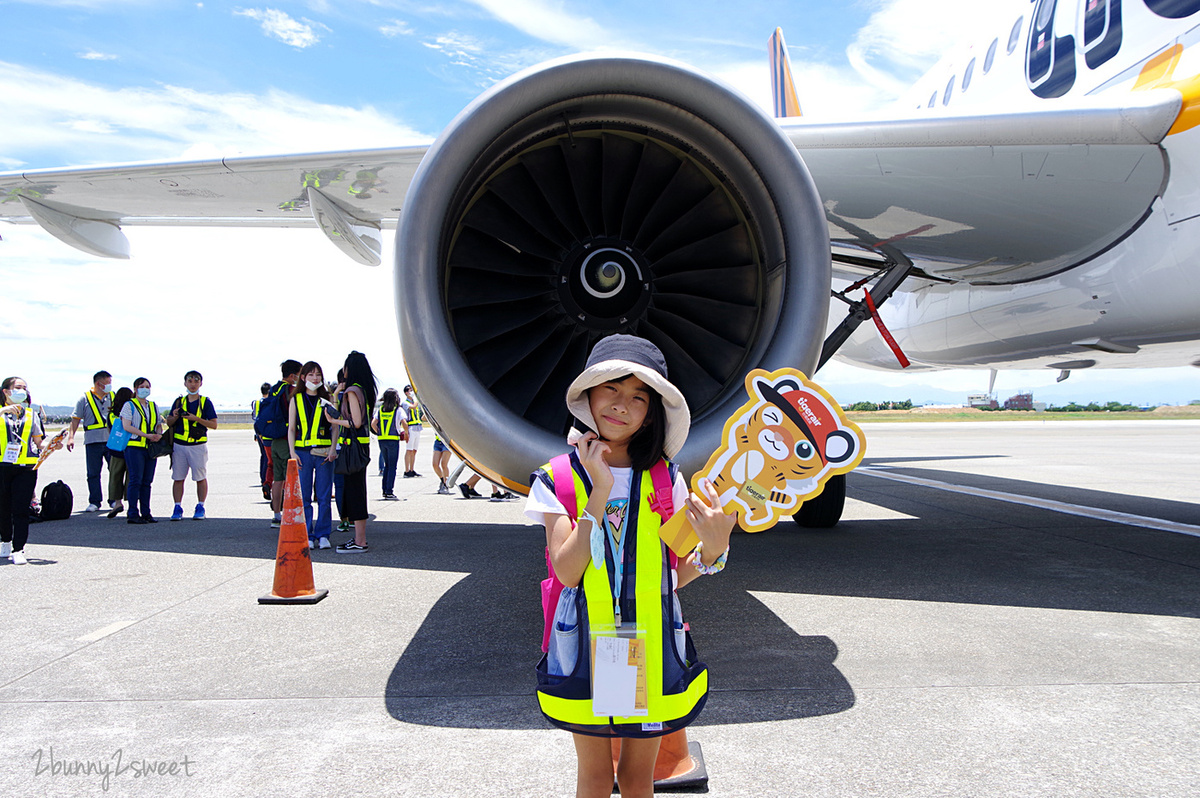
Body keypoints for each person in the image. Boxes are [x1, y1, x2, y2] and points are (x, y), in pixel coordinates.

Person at [525, 334, 734, 798]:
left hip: (651, 645)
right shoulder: (557, 477)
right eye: (611, 390)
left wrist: (716, 550)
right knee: (595, 776)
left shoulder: (666, 479)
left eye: (638, 398)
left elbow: (675, 574)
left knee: (641, 777)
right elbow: (567, 571)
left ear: (652, 413)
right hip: (583, 642)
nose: (621, 405)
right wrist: (596, 493)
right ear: (589, 396)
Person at [287, 361, 336, 550]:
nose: (315, 378)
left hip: (324, 453)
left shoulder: (328, 398)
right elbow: (291, 429)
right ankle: (307, 533)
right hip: (302, 453)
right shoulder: (296, 399)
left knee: (324, 496)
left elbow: (335, 426)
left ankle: (323, 534)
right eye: (311, 375)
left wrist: (333, 449)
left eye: (318, 375)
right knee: (305, 496)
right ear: (303, 377)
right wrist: (292, 452)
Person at [332, 352, 376, 553]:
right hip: (362, 447)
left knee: (355, 492)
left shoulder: (352, 391)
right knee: (357, 491)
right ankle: (358, 538)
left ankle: (360, 540)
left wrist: (333, 420)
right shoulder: (364, 391)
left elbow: (355, 422)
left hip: (352, 448)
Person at [1, 377, 45, 565]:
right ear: (6, 391)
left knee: (20, 508)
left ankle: (18, 548)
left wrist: (52, 445)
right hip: (2, 465)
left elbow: (39, 441)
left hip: (26, 467)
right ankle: (5, 540)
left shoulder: (30, 414)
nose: (23, 391)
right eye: (18, 387)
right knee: (3, 507)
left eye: (25, 388)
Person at [165, 370, 219, 521]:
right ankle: (177, 506)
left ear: (200, 383)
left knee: (200, 477)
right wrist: (175, 416)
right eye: (190, 381)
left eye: (196, 381)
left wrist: (196, 418)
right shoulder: (178, 402)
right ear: (185, 383)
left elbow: (214, 424)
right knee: (178, 477)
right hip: (179, 446)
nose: (193, 384)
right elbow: (168, 423)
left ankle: (200, 505)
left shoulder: (205, 402)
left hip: (197, 446)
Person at [66, 370, 113, 512]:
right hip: (92, 441)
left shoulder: (113, 397)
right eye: (108, 383)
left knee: (114, 471)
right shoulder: (84, 399)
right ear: (99, 384)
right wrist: (71, 437)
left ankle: (113, 500)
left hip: (111, 441)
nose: (110, 386)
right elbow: (75, 419)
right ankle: (95, 501)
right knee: (93, 473)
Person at [121, 377, 165, 524]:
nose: (145, 389)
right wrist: (147, 435)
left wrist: (159, 434)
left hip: (150, 448)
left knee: (147, 482)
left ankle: (146, 512)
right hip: (135, 447)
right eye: (142, 386)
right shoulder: (129, 405)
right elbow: (127, 426)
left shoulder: (153, 406)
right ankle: (133, 512)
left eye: (147, 386)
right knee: (135, 480)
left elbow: (158, 423)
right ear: (135, 388)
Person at [265, 360, 302, 527]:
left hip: (275, 440)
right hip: (288, 438)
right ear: (293, 375)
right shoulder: (291, 390)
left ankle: (276, 515)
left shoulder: (274, 389)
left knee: (278, 478)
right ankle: (290, 511)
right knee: (292, 478)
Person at [104, 387, 134, 519]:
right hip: (131, 447)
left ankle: (117, 502)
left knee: (115, 476)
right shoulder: (132, 411)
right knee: (131, 476)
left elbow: (110, 430)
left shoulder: (111, 415)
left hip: (115, 448)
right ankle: (131, 504)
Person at [371, 388, 406, 499]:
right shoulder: (398, 410)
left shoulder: (381, 409)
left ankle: (385, 490)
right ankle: (389, 491)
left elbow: (373, 423)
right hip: (393, 440)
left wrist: (379, 432)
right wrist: (406, 433)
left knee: (386, 466)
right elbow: (404, 423)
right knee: (392, 467)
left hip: (382, 440)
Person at [252, 381, 272, 500]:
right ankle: (267, 480)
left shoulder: (256, 402)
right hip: (268, 434)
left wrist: (257, 433)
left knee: (263, 457)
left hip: (260, 432)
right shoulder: (269, 402)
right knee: (269, 459)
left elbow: (255, 418)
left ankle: (263, 479)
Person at [400, 385, 423, 477]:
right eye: (410, 390)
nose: (412, 392)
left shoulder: (415, 402)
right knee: (409, 450)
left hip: (417, 427)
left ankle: (412, 469)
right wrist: (417, 398)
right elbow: (413, 407)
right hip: (411, 427)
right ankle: (406, 470)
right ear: (406, 393)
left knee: (414, 450)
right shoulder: (405, 403)